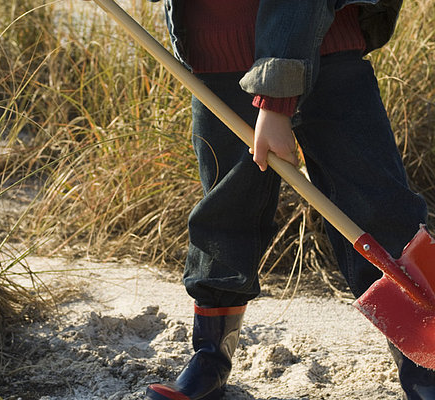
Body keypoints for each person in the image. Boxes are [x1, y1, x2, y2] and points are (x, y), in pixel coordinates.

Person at [142, 1, 435, 399]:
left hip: (324, 45)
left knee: (379, 210)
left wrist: (276, 100)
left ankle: (425, 363)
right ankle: (210, 358)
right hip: (217, 57)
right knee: (226, 213)